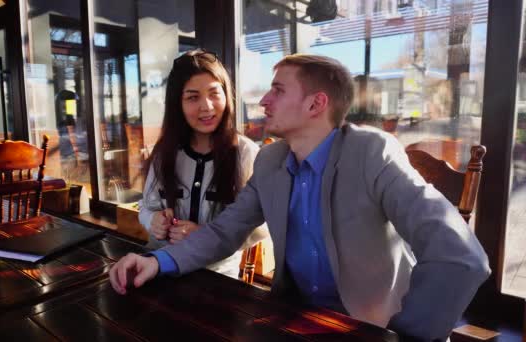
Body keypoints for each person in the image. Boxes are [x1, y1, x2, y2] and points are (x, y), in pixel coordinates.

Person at [109, 54, 490, 341]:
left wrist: (406, 335)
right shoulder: (272, 160)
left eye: (277, 90)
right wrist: (158, 261)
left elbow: (461, 257)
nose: (263, 102)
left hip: (369, 326)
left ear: (315, 104)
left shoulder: (373, 152)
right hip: (294, 319)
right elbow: (224, 231)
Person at [137, 49, 268, 278]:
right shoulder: (164, 153)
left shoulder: (247, 153)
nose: (206, 106)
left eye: (214, 94)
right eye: (193, 97)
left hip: (217, 276)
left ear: (227, 96)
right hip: (160, 269)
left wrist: (206, 236)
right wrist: (153, 221)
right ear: (178, 104)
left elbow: (262, 226)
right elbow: (146, 206)